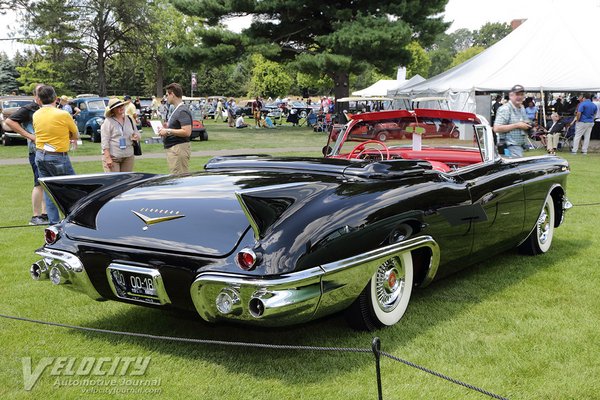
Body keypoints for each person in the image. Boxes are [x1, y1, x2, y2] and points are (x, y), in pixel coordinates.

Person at [33, 85, 78, 225]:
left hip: (40, 155)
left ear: (39, 99)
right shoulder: (63, 114)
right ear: (55, 98)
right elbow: (75, 133)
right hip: (58, 156)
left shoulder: (36, 114)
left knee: (48, 190)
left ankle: (54, 223)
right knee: (73, 188)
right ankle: (73, 219)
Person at [4, 84, 48, 225]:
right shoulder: (29, 109)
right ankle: (36, 216)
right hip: (35, 151)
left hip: (51, 150)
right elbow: (9, 121)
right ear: (35, 96)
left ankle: (45, 213)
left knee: (47, 182)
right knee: (38, 182)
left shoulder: (49, 107)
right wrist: (29, 136)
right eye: (40, 93)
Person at [158, 83, 192, 174]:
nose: (166, 98)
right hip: (175, 148)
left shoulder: (182, 110)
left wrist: (168, 131)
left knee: (179, 178)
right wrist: (167, 127)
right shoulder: (177, 109)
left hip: (178, 149)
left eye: (167, 95)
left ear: (172, 94)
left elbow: (187, 131)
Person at [101, 98, 141, 172]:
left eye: (122, 106)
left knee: (126, 181)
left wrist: (136, 136)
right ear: (113, 110)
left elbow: (137, 133)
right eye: (118, 107)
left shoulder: (129, 119)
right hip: (113, 157)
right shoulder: (108, 121)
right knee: (115, 182)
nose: (121, 108)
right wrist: (107, 158)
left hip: (128, 156)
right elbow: (104, 141)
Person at [493, 84, 531, 158]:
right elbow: (496, 128)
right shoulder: (505, 109)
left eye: (521, 94)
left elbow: (524, 123)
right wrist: (517, 125)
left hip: (519, 146)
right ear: (511, 95)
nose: (519, 97)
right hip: (509, 147)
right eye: (517, 94)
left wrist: (528, 125)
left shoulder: (521, 108)